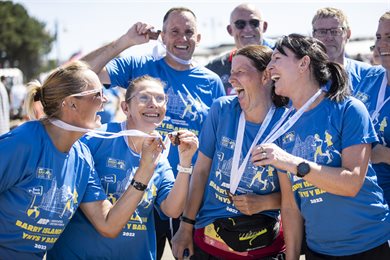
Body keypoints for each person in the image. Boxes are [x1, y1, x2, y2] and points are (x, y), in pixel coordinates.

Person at [81, 6, 225, 259]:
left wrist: (190, 218)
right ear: (163, 36)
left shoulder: (211, 81)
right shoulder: (140, 65)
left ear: (199, 38)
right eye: (174, 31)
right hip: (135, 193)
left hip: (183, 197)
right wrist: (125, 41)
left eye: (189, 32)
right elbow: (81, 74)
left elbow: (214, 147)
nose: (182, 38)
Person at [0, 61, 167, 259]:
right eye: (97, 94)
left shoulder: (82, 157)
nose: (105, 100)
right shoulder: (24, 142)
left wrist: (146, 168)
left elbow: (108, 224)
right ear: (71, 103)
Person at [257, 34, 390, 259]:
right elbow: (290, 207)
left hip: (369, 246)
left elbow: (350, 183)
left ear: (304, 63)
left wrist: (291, 162)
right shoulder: (282, 125)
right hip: (318, 250)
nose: (269, 67)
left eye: (277, 58)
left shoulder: (349, 109)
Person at [48, 75, 198, 259]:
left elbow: (172, 209)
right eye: (144, 97)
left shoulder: (160, 153)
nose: (154, 104)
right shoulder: (97, 139)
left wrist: (185, 163)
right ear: (126, 107)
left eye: (160, 98)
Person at [172, 45, 288, 260]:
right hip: (209, 241)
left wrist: (266, 202)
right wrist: (185, 226)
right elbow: (201, 171)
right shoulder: (222, 109)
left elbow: (298, 193)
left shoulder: (288, 121)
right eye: (231, 72)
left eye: (240, 72)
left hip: (261, 246)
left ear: (266, 76)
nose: (231, 79)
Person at [352, 11, 390, 204]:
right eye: (378, 37)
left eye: (389, 37)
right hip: (362, 205)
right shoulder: (369, 78)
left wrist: (385, 155)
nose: (381, 44)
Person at [206, 3, 275, 95]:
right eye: (240, 24)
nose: (248, 29)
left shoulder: (282, 56)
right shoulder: (215, 68)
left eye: (254, 23)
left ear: (264, 26)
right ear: (230, 30)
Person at [311, 7, 378, 94]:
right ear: (313, 36)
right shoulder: (303, 77)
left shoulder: (367, 75)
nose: (329, 37)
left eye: (335, 31)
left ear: (348, 34)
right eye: (322, 32)